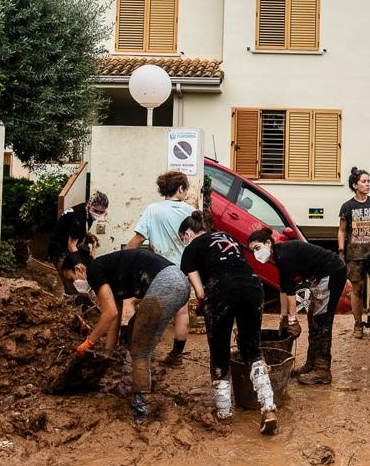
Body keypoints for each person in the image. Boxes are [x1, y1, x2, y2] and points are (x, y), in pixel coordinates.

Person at [62, 247, 189, 421]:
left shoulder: (94, 271)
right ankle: (132, 384)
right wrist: (108, 352)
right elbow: (116, 315)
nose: (74, 284)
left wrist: (89, 342)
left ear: (79, 269)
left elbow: (109, 314)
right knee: (132, 330)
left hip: (167, 283)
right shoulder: (109, 271)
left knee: (140, 348)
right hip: (179, 281)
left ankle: (142, 405)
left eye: (71, 278)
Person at [178, 212, 277, 434]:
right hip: (253, 288)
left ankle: (224, 413)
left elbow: (201, 294)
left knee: (219, 351)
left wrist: (207, 306)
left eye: (182, 238)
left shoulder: (191, 249)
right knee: (251, 349)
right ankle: (268, 407)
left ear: (187, 234)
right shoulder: (228, 237)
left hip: (220, 292)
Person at [247, 227, 346, 386]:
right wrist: (283, 316)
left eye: (258, 248)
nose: (256, 254)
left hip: (332, 272)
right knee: (313, 318)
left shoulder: (284, 255)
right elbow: (284, 288)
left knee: (321, 321)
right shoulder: (279, 255)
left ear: (268, 243)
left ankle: (322, 370)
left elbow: (291, 292)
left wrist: (292, 320)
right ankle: (311, 363)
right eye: (253, 251)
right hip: (322, 275)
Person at [127, 171, 194, 367]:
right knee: (181, 312)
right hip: (183, 270)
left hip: (157, 270)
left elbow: (138, 239)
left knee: (149, 309)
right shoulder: (190, 211)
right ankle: (176, 356)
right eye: (185, 189)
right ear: (180, 189)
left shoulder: (153, 210)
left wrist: (124, 258)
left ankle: (141, 353)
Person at [338, 166, 370, 340]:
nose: (368, 184)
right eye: (364, 181)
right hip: (355, 254)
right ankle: (358, 323)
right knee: (357, 289)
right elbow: (342, 231)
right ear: (355, 185)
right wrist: (340, 251)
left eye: (369, 181)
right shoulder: (347, 206)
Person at [47, 191, 109, 291]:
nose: (98, 214)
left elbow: (77, 231)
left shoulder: (87, 213)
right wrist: (80, 264)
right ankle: (69, 299)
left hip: (68, 243)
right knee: (72, 281)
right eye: (96, 210)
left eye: (101, 212)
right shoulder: (79, 216)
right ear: (89, 204)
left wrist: (88, 236)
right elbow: (71, 246)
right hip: (59, 249)